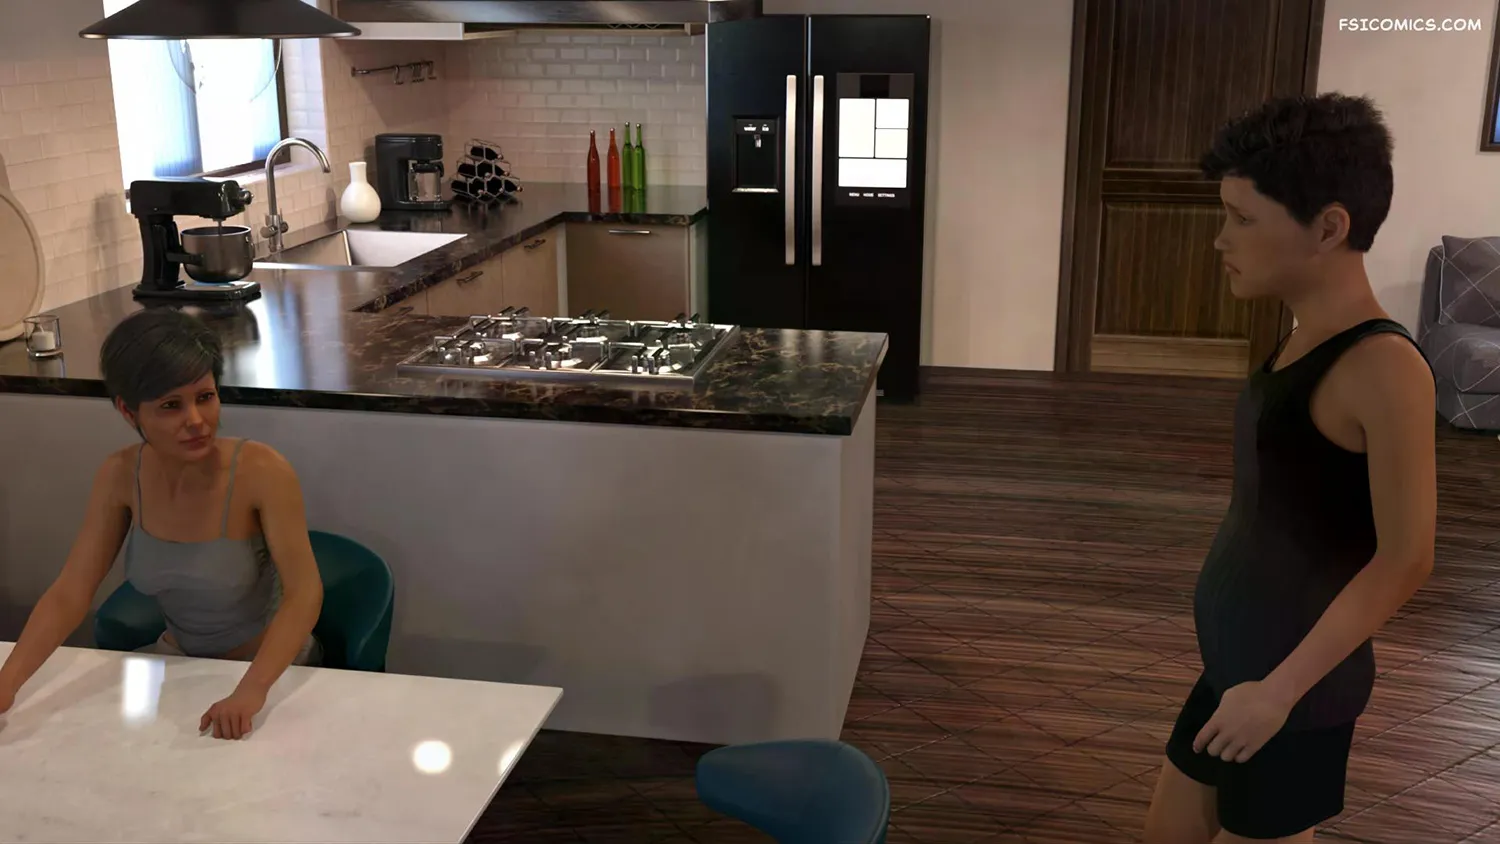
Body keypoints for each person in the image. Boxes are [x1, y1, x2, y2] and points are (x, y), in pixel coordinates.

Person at [1144, 94, 1436, 843]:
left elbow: (1406, 558)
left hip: (1292, 695)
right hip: (1237, 667)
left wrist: (1279, 693)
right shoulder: (1303, 335)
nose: (1221, 240)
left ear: (1329, 228)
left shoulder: (1384, 366)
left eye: (1243, 219)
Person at [0, 308, 324, 741]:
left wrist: (251, 691)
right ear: (129, 411)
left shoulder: (263, 471)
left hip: (271, 670)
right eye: (171, 406)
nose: (196, 420)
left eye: (205, 397)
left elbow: (305, 594)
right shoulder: (119, 475)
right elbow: (70, 592)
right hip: (180, 664)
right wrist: (8, 682)